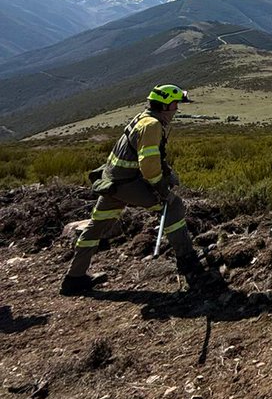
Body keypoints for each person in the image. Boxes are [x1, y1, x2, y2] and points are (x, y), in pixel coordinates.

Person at [60, 84, 216, 295]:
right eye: (175, 104)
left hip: (111, 182)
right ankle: (188, 261)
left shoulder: (143, 118)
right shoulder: (152, 126)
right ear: (166, 106)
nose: (177, 109)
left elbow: (150, 156)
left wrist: (167, 172)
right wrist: (164, 191)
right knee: (173, 206)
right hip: (127, 184)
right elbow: (149, 168)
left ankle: (74, 278)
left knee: (96, 226)